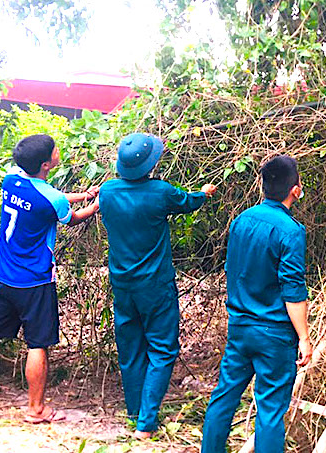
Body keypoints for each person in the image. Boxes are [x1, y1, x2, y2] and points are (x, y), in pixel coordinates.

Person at [0, 134, 100, 426]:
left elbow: (50, 197)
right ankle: (36, 410)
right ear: (46, 164)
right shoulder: (51, 201)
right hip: (35, 282)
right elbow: (72, 217)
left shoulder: (11, 180)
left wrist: (83, 193)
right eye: (55, 150)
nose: (57, 151)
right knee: (37, 345)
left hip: (3, 276)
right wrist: (96, 206)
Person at [99, 132, 218, 439]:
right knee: (163, 349)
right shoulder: (160, 192)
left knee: (130, 348)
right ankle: (146, 423)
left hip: (122, 284)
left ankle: (135, 413)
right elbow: (188, 202)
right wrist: (204, 193)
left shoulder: (108, 192)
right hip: (155, 285)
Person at [201, 155, 311, 453]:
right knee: (271, 410)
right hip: (274, 334)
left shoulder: (241, 221)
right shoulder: (290, 231)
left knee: (224, 396)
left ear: (262, 186)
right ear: (296, 190)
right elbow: (293, 290)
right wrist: (304, 337)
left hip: (239, 327)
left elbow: (233, 269)